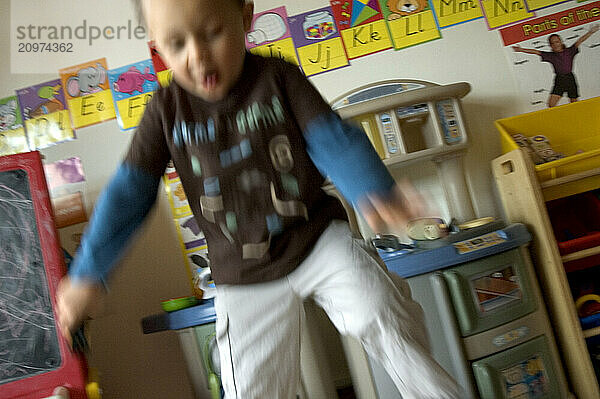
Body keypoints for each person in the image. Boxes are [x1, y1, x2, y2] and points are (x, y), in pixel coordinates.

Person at [55, 0, 461, 398]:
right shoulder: (166, 113)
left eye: (212, 32)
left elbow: (332, 138)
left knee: (381, 311)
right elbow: (129, 193)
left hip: (317, 239)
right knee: (250, 387)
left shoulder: (277, 76)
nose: (198, 56)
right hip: (241, 273)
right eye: (177, 44)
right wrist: (88, 271)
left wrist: (374, 189)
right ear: (156, 46)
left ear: (245, 16)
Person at [513, 24, 599, 107]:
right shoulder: (550, 55)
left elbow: (580, 41)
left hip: (570, 79)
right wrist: (520, 49)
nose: (555, 44)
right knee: (551, 104)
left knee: (574, 103)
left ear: (561, 42)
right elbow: (536, 52)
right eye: (552, 43)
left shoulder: (570, 51)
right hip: (559, 80)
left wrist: (591, 32)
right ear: (550, 45)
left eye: (557, 42)